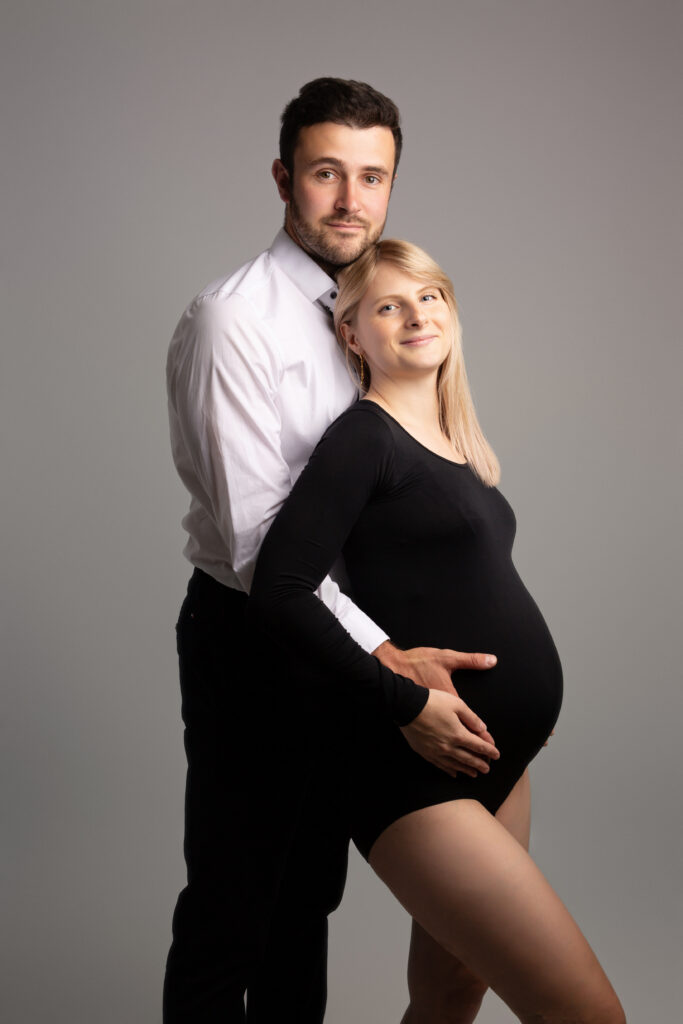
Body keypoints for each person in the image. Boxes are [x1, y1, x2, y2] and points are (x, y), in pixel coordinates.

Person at [164, 79, 500, 1024]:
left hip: (344, 646)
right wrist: (387, 665)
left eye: (371, 177)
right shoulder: (235, 321)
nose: (350, 201)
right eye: (325, 174)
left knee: (306, 902)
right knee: (233, 906)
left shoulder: (373, 312)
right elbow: (258, 543)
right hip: (253, 640)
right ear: (283, 178)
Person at [248, 239, 626, 1023]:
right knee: (587, 1015)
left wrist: (521, 703)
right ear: (352, 335)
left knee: (450, 995)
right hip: (411, 767)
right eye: (388, 305)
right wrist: (402, 701)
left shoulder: (454, 445)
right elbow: (281, 588)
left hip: (496, 754)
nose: (416, 315)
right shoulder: (364, 438)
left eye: (429, 298)